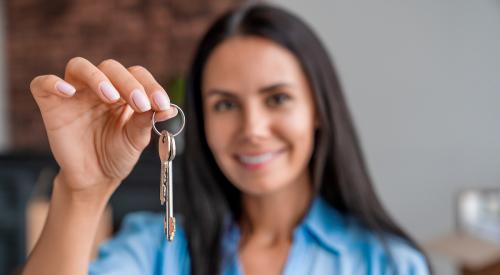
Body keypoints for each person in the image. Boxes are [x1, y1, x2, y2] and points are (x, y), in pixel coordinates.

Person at [22, 3, 431, 275]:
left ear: (318, 110)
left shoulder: (390, 263)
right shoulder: (155, 250)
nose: (252, 128)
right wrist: (83, 190)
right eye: (224, 105)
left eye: (278, 98)